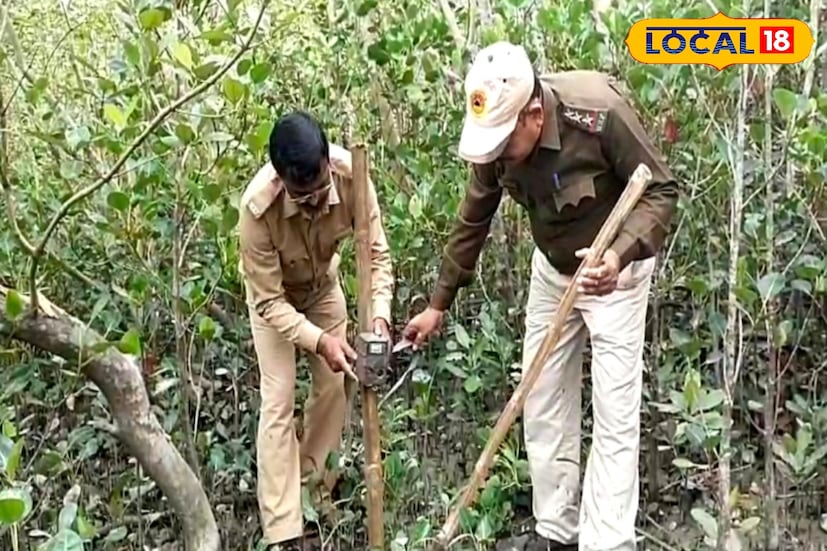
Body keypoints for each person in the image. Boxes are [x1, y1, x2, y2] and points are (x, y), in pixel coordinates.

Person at [403, 42, 679, 551]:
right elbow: (473, 217)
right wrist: (438, 304)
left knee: (615, 410)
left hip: (615, 275)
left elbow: (661, 191)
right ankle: (557, 530)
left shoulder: (597, 112)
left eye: (505, 144)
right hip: (553, 273)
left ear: (534, 114)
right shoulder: (497, 135)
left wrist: (616, 257)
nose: (495, 155)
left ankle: (607, 540)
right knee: (543, 397)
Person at [238, 111, 394, 550]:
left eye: (318, 191)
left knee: (335, 384)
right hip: (276, 303)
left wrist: (378, 316)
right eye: (300, 196)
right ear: (281, 177)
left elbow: (377, 257)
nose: (311, 203)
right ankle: (284, 527)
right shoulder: (257, 208)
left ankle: (315, 486)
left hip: (322, 289)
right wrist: (318, 340)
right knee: (279, 397)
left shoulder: (352, 177)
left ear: (328, 163)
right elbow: (268, 301)